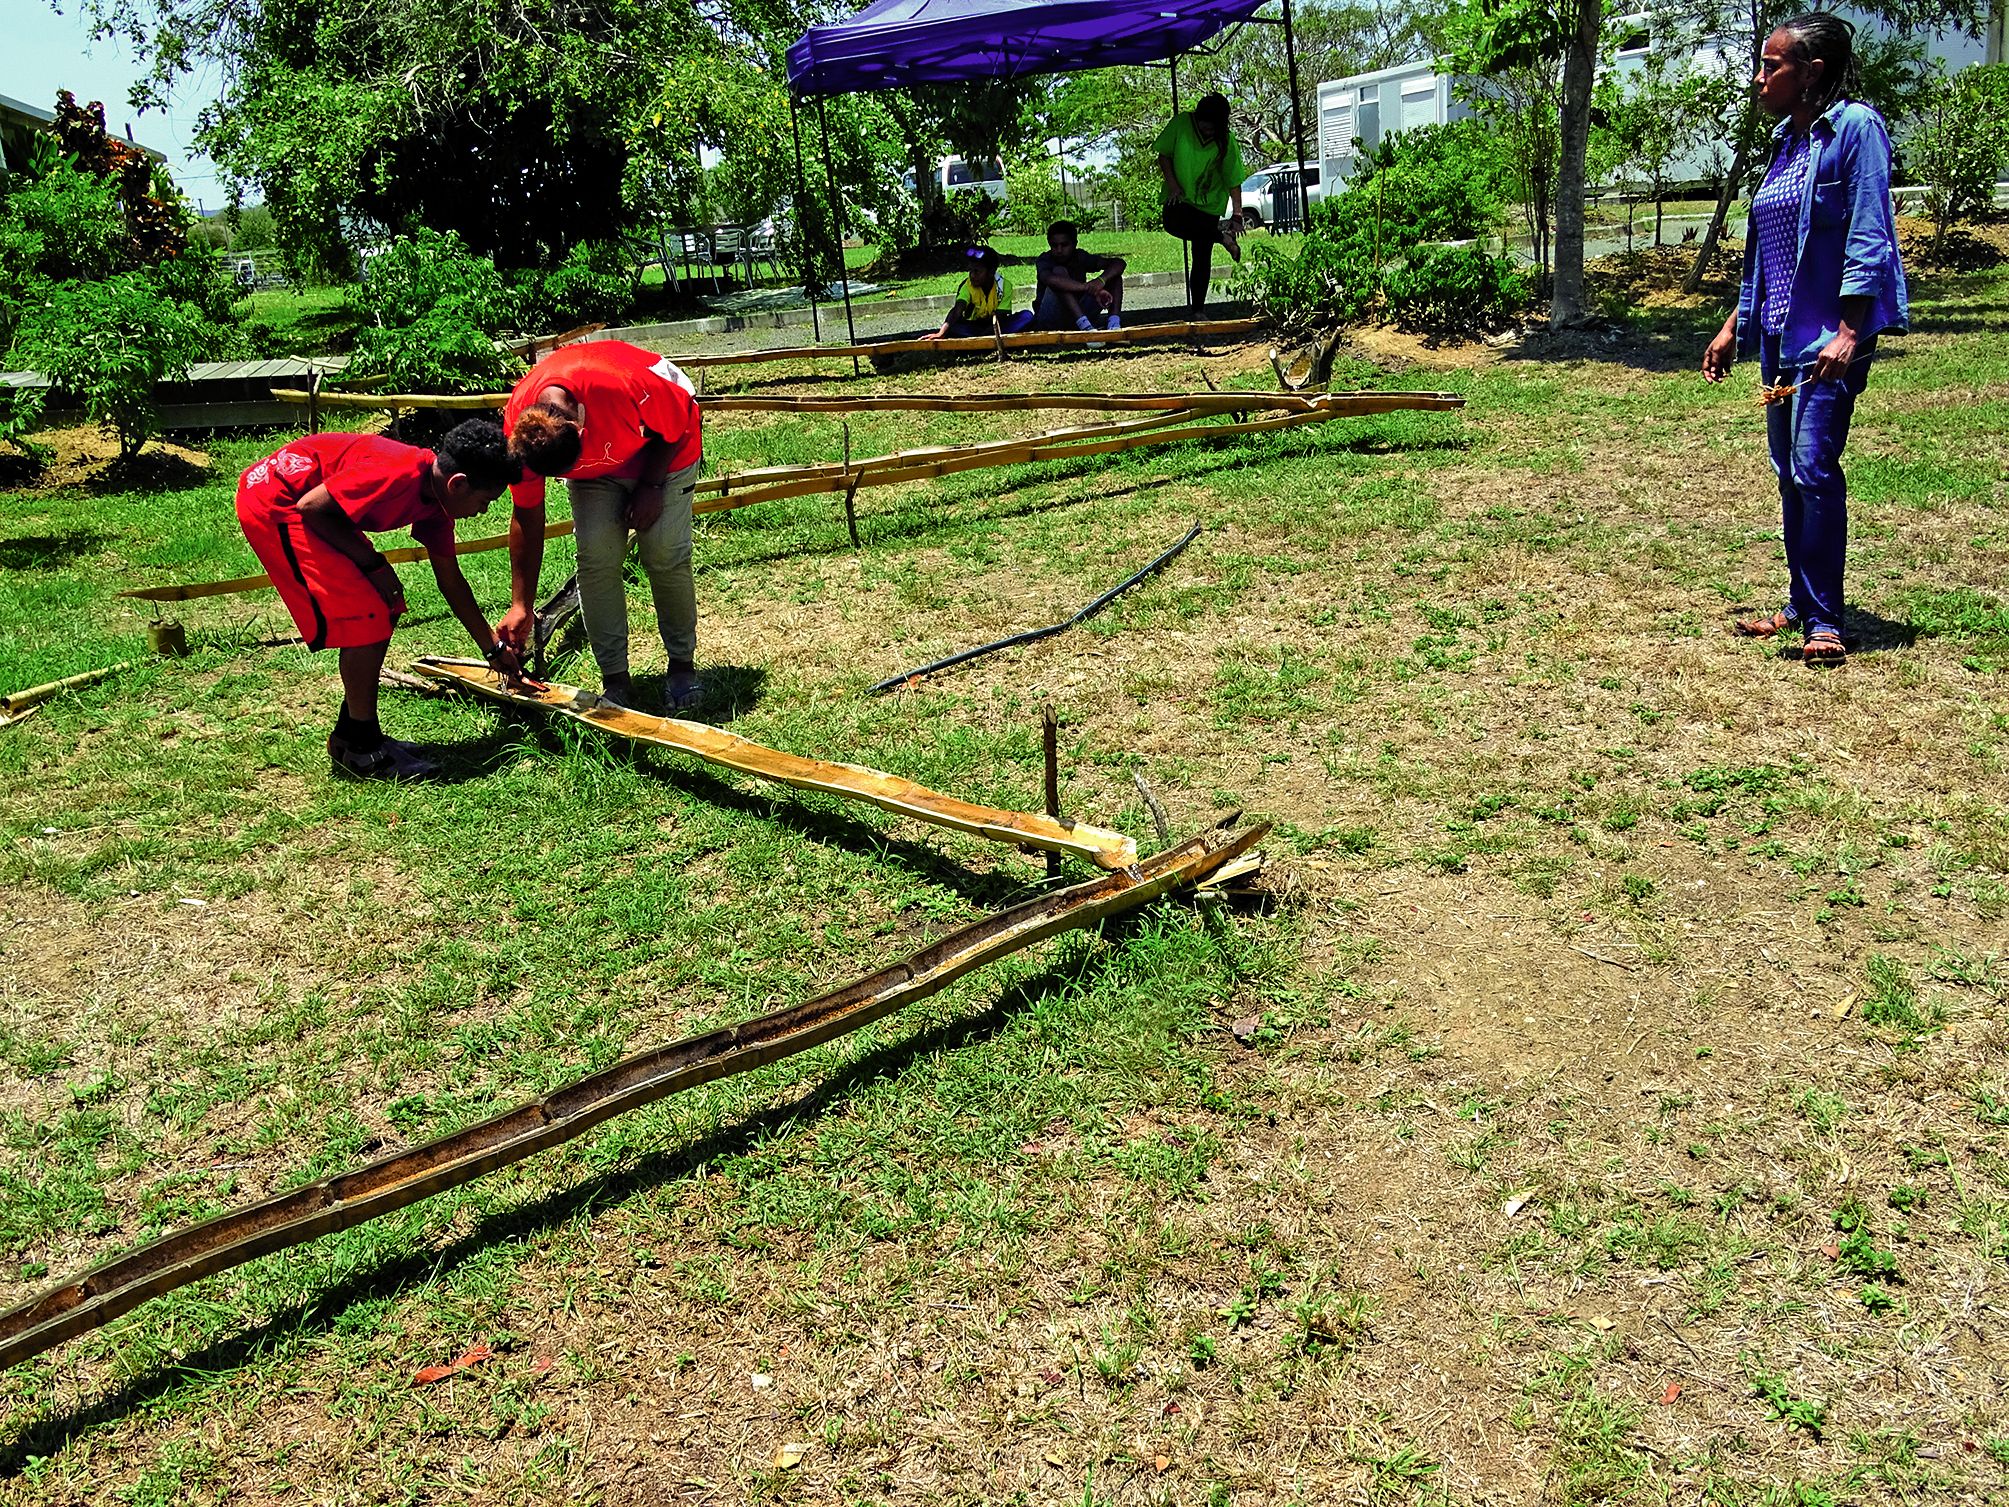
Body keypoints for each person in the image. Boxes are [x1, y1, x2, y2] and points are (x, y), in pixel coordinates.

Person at [1702, 11, 1906, 668]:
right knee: (1788, 476)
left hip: (1827, 339)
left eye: (1771, 66)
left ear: (1811, 71)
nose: (1759, 78)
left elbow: (1870, 233)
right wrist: (1734, 325)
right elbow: (1764, 248)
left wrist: (1850, 330)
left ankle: (1823, 619)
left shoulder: (1855, 129)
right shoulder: (1786, 143)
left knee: (1813, 469)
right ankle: (1799, 601)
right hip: (1777, 336)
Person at [234, 422, 522, 779]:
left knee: (384, 605)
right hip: (277, 498)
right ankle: (363, 749)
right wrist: (373, 564)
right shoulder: (397, 472)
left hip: (317, 507)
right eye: (484, 502)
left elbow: (451, 582)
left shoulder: (437, 505)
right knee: (366, 614)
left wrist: (493, 649)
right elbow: (312, 506)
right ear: (457, 484)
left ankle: (351, 734)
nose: (483, 512)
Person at [500, 339, 705, 710]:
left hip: (666, 449)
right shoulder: (523, 433)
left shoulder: (621, 384)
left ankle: (681, 666)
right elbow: (527, 514)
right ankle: (615, 678)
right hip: (599, 473)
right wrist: (521, 605)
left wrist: (651, 486)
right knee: (596, 558)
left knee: (664, 552)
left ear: (582, 430)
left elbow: (681, 417)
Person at [1154, 92, 1245, 314]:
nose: (1207, 132)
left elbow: (1233, 179)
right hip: (1181, 197)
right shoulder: (1181, 124)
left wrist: (1237, 215)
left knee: (1202, 255)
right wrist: (1173, 186)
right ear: (1197, 118)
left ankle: (1198, 311)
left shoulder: (1227, 140)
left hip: (1209, 203)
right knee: (1171, 222)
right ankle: (1222, 237)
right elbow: (1163, 155)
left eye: (1213, 129)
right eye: (1204, 126)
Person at [1032, 220, 1126, 333]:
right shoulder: (1044, 260)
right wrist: (1090, 288)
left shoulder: (1080, 256)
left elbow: (1119, 263)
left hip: (1079, 310)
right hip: (1050, 319)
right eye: (1054, 245)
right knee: (1059, 273)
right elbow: (1050, 279)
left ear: (1074, 243)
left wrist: (1101, 280)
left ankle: (1114, 325)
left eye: (1064, 245)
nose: (1059, 250)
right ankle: (1085, 326)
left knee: (1114, 276)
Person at [926, 245, 1034, 339]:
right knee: (954, 327)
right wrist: (941, 333)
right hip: (973, 327)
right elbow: (957, 311)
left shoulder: (1004, 286)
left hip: (996, 326)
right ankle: (986, 339)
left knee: (1027, 316)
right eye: (971, 271)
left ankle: (980, 340)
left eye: (977, 271)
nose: (972, 275)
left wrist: (985, 335)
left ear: (991, 272)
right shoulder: (967, 286)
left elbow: (1000, 317)